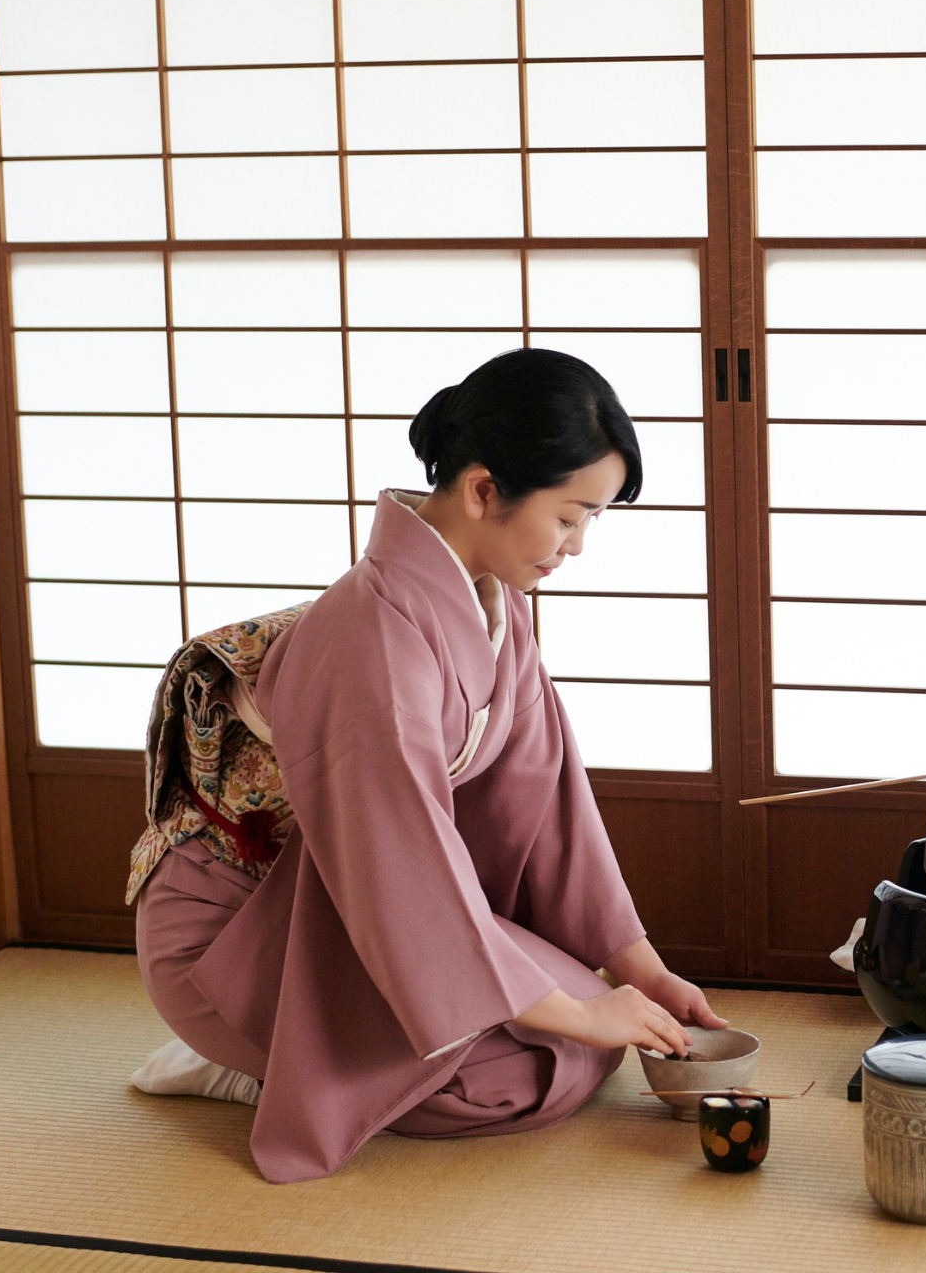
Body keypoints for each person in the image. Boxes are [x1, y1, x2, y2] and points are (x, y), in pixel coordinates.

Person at [126, 348, 726, 1183]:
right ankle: (246, 1060)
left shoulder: (497, 606)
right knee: (514, 1080)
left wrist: (645, 974)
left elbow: (547, 805)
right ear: (484, 490)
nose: (578, 545)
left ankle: (313, 1054)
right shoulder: (368, 639)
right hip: (240, 932)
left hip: (350, 908)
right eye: (568, 515)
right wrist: (581, 1013)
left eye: (592, 521)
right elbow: (395, 867)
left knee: (593, 1039)